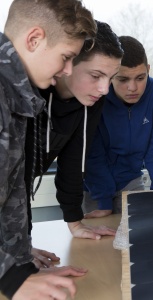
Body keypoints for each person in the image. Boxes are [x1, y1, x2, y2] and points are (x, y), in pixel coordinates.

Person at [0, 0, 96, 298]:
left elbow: (10, 193)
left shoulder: (20, 95)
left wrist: (20, 259)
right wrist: (11, 276)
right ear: (34, 39)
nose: (68, 70)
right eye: (66, 57)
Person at [24, 20, 123, 250]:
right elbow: (11, 180)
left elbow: (74, 162)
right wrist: (20, 252)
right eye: (96, 75)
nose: (105, 89)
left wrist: (75, 222)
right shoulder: (28, 90)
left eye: (111, 77)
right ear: (67, 62)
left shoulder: (91, 100)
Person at [83, 35, 153, 218]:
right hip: (94, 185)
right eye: (123, 79)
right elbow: (93, 154)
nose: (133, 87)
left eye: (140, 78)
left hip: (131, 179)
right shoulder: (96, 96)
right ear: (111, 74)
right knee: (101, 242)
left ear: (148, 70)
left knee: (140, 234)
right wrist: (104, 201)